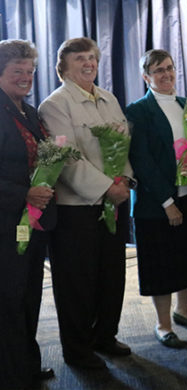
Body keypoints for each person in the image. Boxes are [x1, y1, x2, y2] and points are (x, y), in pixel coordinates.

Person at [38, 37, 133, 369]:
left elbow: (123, 145)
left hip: (115, 202)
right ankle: (77, 351)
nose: (89, 63)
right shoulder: (54, 104)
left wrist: (124, 183)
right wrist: (108, 188)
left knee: (111, 275)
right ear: (63, 66)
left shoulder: (109, 98)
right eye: (80, 58)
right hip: (75, 210)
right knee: (77, 283)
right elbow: (66, 159)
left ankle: (104, 336)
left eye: (92, 57)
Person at [126, 49, 187, 348]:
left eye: (170, 68)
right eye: (158, 70)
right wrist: (167, 202)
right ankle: (163, 324)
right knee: (160, 264)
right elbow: (141, 160)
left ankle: (183, 310)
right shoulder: (137, 111)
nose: (166, 74)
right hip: (156, 205)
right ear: (146, 77)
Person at [0, 39, 56, 389]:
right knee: (8, 300)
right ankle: (10, 374)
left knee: (29, 296)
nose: (25, 77)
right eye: (17, 71)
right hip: (5, 226)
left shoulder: (30, 112)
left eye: (30, 71)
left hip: (33, 224)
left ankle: (26, 365)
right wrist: (24, 193)